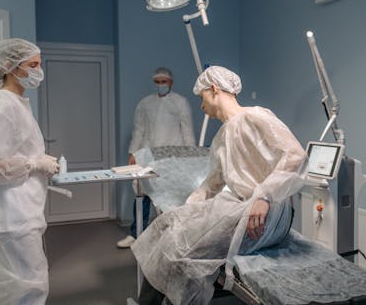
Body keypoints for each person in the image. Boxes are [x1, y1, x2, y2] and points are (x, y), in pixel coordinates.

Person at [131, 66, 306, 305]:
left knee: (179, 248)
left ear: (214, 89)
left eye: (201, 98)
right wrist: (187, 209)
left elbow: (295, 155)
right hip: (242, 208)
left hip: (268, 215)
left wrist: (264, 197)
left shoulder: (254, 116)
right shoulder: (224, 136)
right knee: (166, 226)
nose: (201, 106)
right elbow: (213, 183)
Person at [0, 38, 59, 305]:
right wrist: (34, 163)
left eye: (39, 65)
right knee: (25, 288)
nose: (38, 71)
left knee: (9, 289)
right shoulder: (2, 104)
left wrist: (35, 158)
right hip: (10, 217)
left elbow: (7, 152)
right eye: (32, 65)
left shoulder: (15, 102)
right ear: (10, 66)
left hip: (14, 215)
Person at [117, 67, 195, 248]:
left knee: (169, 198)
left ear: (171, 82)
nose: (161, 85)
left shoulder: (180, 103)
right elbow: (139, 130)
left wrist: (190, 158)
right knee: (141, 194)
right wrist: (133, 154)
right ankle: (136, 234)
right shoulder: (145, 103)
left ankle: (169, 236)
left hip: (172, 157)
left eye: (164, 82)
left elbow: (188, 132)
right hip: (147, 155)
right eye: (158, 82)